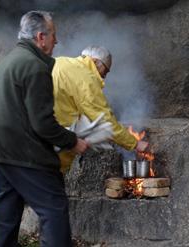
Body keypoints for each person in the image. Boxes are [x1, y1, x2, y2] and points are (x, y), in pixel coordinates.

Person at [0, 11, 88, 247]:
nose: (56, 41)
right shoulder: (35, 67)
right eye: (53, 35)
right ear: (41, 37)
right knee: (53, 207)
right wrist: (72, 140)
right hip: (17, 149)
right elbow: (43, 123)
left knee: (6, 215)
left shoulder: (11, 59)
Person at [52, 45, 149, 173]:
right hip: (53, 151)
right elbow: (104, 121)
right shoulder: (85, 78)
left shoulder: (60, 62)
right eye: (105, 70)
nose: (104, 76)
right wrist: (135, 144)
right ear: (95, 61)